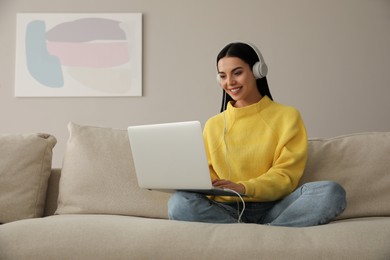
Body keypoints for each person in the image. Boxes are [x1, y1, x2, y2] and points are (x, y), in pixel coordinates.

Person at [168, 42, 346, 226]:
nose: (229, 82)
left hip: (275, 208)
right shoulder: (213, 125)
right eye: (223, 76)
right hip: (224, 209)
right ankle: (260, 234)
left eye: (237, 73)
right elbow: (207, 176)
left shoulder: (287, 116)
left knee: (331, 192)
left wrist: (244, 187)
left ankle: (248, 234)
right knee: (179, 202)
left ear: (257, 71)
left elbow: (285, 176)